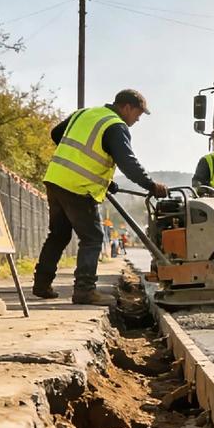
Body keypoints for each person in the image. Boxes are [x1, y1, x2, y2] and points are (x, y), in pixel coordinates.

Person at [34, 89, 168, 305]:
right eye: (137, 114)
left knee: (58, 235)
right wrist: (151, 185)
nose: (137, 119)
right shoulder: (115, 126)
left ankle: (41, 284)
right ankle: (84, 291)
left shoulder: (84, 114)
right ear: (126, 107)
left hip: (56, 179)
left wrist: (103, 179)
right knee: (93, 238)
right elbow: (128, 163)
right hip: (78, 187)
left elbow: (56, 134)